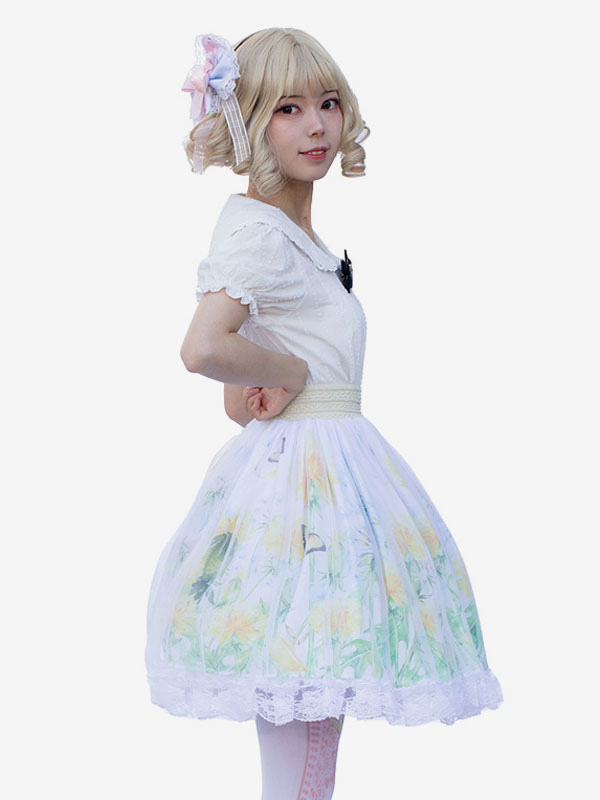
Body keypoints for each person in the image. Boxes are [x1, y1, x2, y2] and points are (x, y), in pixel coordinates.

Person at [145, 27, 504, 800]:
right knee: (305, 716)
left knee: (308, 729)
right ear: (250, 120)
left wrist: (266, 381)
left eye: (328, 103)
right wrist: (289, 371)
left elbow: (241, 400)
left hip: (315, 480)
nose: (317, 126)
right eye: (288, 108)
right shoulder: (257, 232)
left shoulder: (291, 235)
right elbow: (202, 347)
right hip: (306, 496)